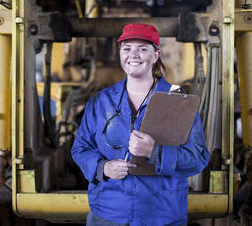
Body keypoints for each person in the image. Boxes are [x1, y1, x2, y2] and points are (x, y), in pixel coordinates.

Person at [71, 23, 210, 226]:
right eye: (127, 48)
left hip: (162, 214)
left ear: (156, 56)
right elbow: (80, 148)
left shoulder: (179, 102)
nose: (133, 55)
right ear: (120, 54)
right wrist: (103, 167)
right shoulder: (100, 102)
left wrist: (156, 152)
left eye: (142, 49)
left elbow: (198, 157)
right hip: (109, 214)